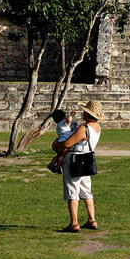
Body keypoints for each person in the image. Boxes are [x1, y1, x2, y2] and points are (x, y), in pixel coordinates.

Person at [55, 99, 103, 233]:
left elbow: (68, 143)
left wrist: (57, 146)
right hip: (87, 158)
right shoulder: (97, 128)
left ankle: (74, 223)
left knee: (72, 191)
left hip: (74, 158)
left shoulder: (84, 128)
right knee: (86, 190)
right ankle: (91, 219)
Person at [47, 109, 76, 173]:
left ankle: (52, 164)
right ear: (63, 117)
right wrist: (71, 115)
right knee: (61, 156)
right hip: (64, 143)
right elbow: (69, 119)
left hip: (60, 142)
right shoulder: (63, 123)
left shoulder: (59, 125)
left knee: (58, 156)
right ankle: (58, 167)